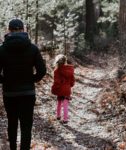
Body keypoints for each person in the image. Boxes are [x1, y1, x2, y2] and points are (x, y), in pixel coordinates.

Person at [0, 19, 46, 150]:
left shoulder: (2, 49)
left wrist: (5, 80)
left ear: (9, 30)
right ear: (23, 29)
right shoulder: (32, 48)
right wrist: (32, 80)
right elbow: (42, 71)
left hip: (10, 93)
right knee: (26, 126)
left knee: (12, 122)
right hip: (28, 93)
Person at [51, 54, 75, 124]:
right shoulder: (70, 69)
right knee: (65, 105)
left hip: (60, 90)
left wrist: (54, 89)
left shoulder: (57, 70)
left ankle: (58, 116)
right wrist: (70, 85)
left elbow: (56, 82)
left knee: (59, 102)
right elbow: (72, 80)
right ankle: (65, 119)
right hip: (67, 89)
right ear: (65, 61)